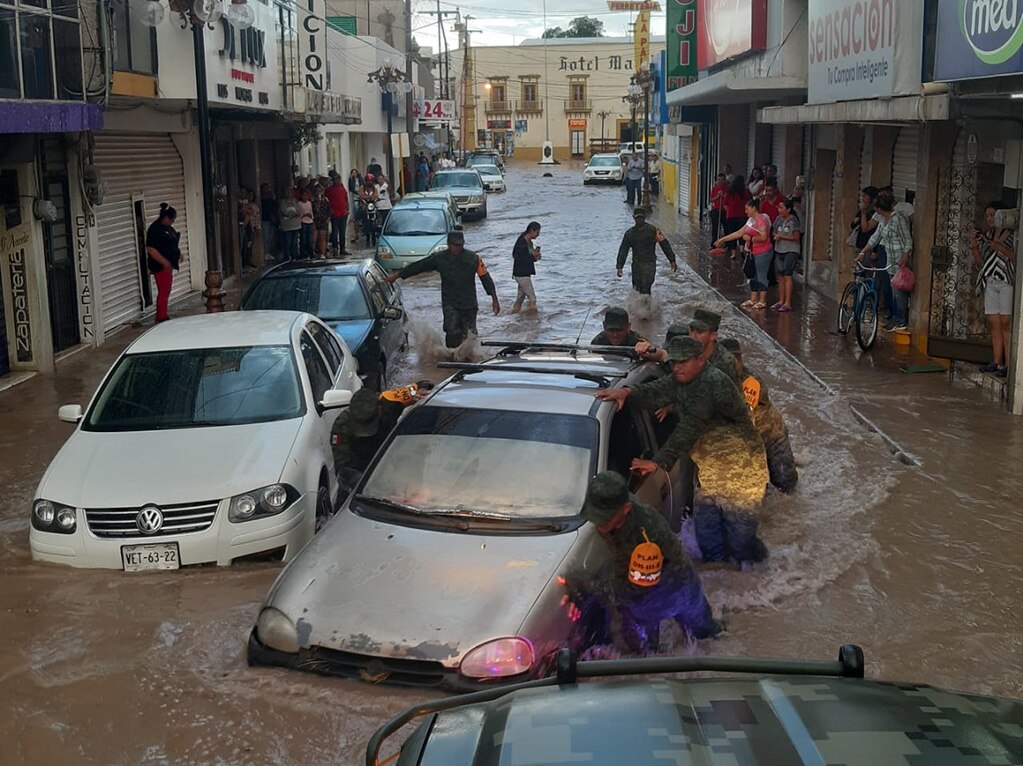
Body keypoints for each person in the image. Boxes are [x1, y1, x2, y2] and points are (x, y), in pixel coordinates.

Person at [595, 336, 769, 565]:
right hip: (710, 470)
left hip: (742, 469)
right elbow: (658, 389)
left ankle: (763, 570)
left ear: (700, 359)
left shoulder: (712, 383)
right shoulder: (684, 379)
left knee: (740, 543)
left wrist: (658, 462)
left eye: (682, 362)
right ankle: (722, 578)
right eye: (674, 362)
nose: (676, 367)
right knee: (708, 539)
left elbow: (689, 428)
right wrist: (627, 393)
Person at [561, 471, 724, 653]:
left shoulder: (647, 536)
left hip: (674, 586)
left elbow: (631, 591)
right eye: (595, 516)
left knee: (706, 634)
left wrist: (583, 584)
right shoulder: (614, 508)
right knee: (645, 649)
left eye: (605, 519)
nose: (599, 525)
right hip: (643, 585)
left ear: (626, 508)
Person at [385, 230, 500, 348]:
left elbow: (485, 278)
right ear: (449, 244)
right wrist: (397, 275)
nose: (457, 248)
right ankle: (451, 359)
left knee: (470, 335)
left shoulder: (474, 259)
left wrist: (494, 298)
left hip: (469, 304)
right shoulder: (439, 258)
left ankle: (470, 359)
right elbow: (419, 266)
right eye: (455, 245)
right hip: (450, 303)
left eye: (460, 245)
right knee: (452, 331)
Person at [721, 338, 798, 493]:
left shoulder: (751, 382)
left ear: (740, 360)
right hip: (749, 438)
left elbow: (743, 416)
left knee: (786, 484)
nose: (730, 365)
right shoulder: (719, 378)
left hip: (772, 436)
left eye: (734, 360)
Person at [332, 381, 434, 495]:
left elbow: (421, 385)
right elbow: (342, 466)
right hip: (358, 470)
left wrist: (422, 391)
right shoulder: (342, 425)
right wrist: (359, 481)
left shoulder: (391, 400)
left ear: (379, 409)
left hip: (388, 463)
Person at [971, 201, 1016, 377]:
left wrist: (1001, 249)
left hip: (1006, 282)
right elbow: (982, 263)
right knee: (993, 321)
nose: (990, 218)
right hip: (991, 281)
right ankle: (997, 361)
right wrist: (975, 247)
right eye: (988, 215)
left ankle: (1009, 364)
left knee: (1006, 321)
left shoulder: (1013, 236)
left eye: (993, 215)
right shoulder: (988, 235)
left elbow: (1015, 258)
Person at [858, 191, 912, 331]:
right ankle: (893, 318)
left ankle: (900, 320)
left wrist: (905, 256)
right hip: (889, 259)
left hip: (899, 261)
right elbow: (875, 237)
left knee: (898, 292)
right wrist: (863, 252)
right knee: (891, 291)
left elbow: (907, 239)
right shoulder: (883, 220)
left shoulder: (898, 219)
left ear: (879, 209)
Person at [714, 198, 773, 310]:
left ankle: (762, 301)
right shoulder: (750, 220)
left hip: (763, 252)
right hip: (753, 252)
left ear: (753, 208)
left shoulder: (761, 220)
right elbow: (740, 233)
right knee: (753, 275)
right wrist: (723, 239)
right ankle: (753, 298)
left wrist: (750, 239)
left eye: (747, 209)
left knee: (761, 275)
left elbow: (764, 237)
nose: (745, 211)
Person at [616, 207, 678, 295]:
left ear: (644, 217)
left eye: (641, 218)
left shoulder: (653, 230)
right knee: (636, 288)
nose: (639, 220)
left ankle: (648, 306)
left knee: (646, 287)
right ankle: (639, 307)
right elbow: (623, 250)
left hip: (649, 264)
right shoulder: (629, 234)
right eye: (637, 218)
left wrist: (672, 260)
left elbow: (664, 244)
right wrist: (619, 266)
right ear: (634, 218)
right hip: (636, 265)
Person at [145, 203, 181, 323]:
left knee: (166, 290)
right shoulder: (155, 230)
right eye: (171, 219)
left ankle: (161, 314)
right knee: (164, 291)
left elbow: (172, 243)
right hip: (160, 266)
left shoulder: (168, 228)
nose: (172, 222)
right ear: (166, 218)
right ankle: (162, 316)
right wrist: (163, 261)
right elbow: (151, 249)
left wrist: (178, 254)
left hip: (169, 265)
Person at [688, 308, 739, 385]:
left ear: (713, 336)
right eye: (691, 330)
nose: (693, 336)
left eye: (699, 332)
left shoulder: (725, 362)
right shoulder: (686, 351)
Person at [772, 197, 801, 312]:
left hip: (790, 250)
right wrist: (775, 234)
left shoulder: (793, 221)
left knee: (787, 275)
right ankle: (781, 300)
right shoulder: (778, 219)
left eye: (781, 208)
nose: (779, 210)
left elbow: (796, 237)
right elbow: (773, 230)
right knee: (780, 276)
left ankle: (788, 302)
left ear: (788, 209)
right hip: (779, 250)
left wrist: (782, 236)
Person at [511, 220, 542, 314]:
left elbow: (530, 257)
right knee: (532, 298)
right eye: (537, 232)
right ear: (532, 231)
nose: (538, 235)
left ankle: (514, 316)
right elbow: (518, 257)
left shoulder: (529, 242)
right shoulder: (522, 242)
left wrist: (535, 256)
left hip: (524, 273)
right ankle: (533, 322)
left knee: (520, 299)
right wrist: (533, 256)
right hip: (521, 274)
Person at [721, 175, 749, 256]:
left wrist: (729, 211)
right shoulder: (746, 192)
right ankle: (741, 249)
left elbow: (725, 204)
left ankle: (733, 253)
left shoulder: (730, 192)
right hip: (743, 215)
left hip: (731, 216)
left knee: (732, 234)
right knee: (742, 233)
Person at [325, 173, 350, 256]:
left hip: (343, 213)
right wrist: (330, 210)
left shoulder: (342, 189)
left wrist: (347, 209)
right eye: (335, 179)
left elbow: (346, 199)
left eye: (338, 179)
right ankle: (335, 247)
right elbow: (327, 201)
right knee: (335, 232)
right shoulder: (329, 190)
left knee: (342, 232)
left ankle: (342, 248)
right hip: (335, 214)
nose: (337, 181)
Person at [278, 187, 301, 261]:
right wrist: (293, 214)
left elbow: (298, 211)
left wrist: (292, 215)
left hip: (296, 225)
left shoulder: (295, 201)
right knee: (288, 242)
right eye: (287, 192)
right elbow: (284, 211)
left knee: (294, 242)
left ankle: (294, 256)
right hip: (287, 226)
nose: (289, 194)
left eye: (290, 192)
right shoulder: (282, 202)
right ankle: (287, 256)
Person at [709, 172, 728, 243]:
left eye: (722, 180)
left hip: (724, 210)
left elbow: (729, 198)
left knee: (726, 227)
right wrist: (717, 196)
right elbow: (711, 199)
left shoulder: (727, 188)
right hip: (716, 209)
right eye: (719, 179)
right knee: (715, 227)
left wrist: (723, 195)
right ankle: (714, 242)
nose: (720, 181)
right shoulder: (715, 188)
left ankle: (727, 243)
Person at [312, 185, 332, 258]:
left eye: (320, 190)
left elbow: (329, 210)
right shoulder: (312, 201)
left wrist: (328, 218)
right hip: (315, 220)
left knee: (322, 238)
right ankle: (313, 252)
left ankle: (322, 254)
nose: (319, 192)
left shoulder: (326, 200)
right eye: (317, 190)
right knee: (314, 238)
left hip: (323, 221)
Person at [240, 190, 257, 269]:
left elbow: (253, 213)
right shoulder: (242, 203)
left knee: (249, 244)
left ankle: (248, 261)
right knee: (244, 245)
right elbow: (244, 212)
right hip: (244, 226)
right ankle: (244, 262)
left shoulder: (252, 205)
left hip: (251, 226)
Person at [259, 183, 277, 260]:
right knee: (265, 237)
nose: (267, 190)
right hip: (264, 219)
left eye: (268, 188)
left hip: (271, 220)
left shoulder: (270, 199)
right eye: (265, 188)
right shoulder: (261, 199)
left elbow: (275, 206)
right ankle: (265, 253)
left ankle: (268, 252)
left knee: (270, 237)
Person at [298, 188, 314, 258]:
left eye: (306, 195)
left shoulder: (309, 203)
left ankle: (310, 253)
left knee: (310, 239)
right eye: (303, 195)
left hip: (309, 222)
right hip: (303, 222)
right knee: (303, 239)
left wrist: (312, 217)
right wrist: (304, 215)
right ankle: (302, 253)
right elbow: (298, 214)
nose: (305, 197)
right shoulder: (299, 203)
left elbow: (311, 212)